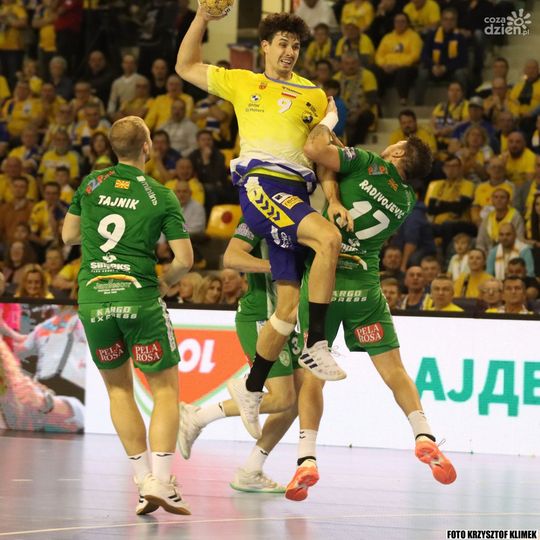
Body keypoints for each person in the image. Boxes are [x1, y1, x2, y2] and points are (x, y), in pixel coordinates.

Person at [176, 9, 347, 440]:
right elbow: (185, 65)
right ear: (265, 47)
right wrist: (202, 17)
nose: (289, 52)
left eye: (296, 46)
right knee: (328, 239)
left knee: (286, 308)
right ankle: (317, 344)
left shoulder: (315, 96)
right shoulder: (243, 81)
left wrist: (333, 198)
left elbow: (325, 157)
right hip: (261, 187)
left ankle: (251, 388)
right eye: (282, 44)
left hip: (297, 195)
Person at [285, 124, 456, 501]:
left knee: (313, 375)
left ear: (398, 155)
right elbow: (346, 167)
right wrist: (336, 179)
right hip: (365, 288)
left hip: (325, 285)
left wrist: (326, 123)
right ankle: (424, 435)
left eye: (396, 144)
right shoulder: (407, 198)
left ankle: (306, 459)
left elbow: (317, 150)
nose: (389, 145)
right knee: (394, 370)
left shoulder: (365, 162)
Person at [61, 116, 194, 516]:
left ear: (112, 148)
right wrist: (166, 282)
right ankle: (162, 481)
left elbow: (68, 236)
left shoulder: (90, 184)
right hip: (138, 297)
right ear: (147, 147)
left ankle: (142, 482)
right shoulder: (160, 195)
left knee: (119, 391)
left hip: (94, 299)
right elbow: (184, 260)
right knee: (165, 391)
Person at [177, 221, 304, 492]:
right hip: (262, 316)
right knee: (283, 398)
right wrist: (275, 267)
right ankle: (198, 417)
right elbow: (232, 258)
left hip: (293, 318)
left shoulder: (303, 218)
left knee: (295, 403)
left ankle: (251, 470)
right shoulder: (257, 217)